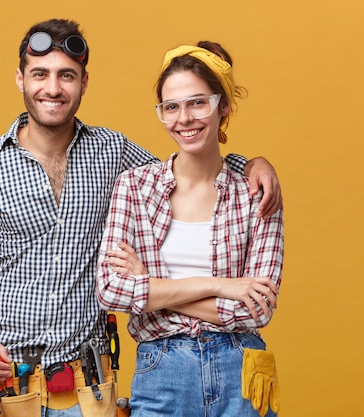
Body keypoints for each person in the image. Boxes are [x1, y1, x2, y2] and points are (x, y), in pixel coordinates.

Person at [0, 19, 282, 417]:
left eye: (67, 76)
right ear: (20, 79)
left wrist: (250, 163)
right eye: (40, 74)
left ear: (84, 82)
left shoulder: (112, 152)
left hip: (88, 386)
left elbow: (187, 165)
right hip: (8, 378)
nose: (53, 88)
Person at [96, 41, 283, 417]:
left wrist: (151, 286)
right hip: (162, 372)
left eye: (198, 102)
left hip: (241, 370)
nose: (184, 118)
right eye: (172, 107)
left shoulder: (255, 192)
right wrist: (220, 285)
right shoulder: (134, 187)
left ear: (223, 105)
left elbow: (257, 311)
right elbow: (110, 289)